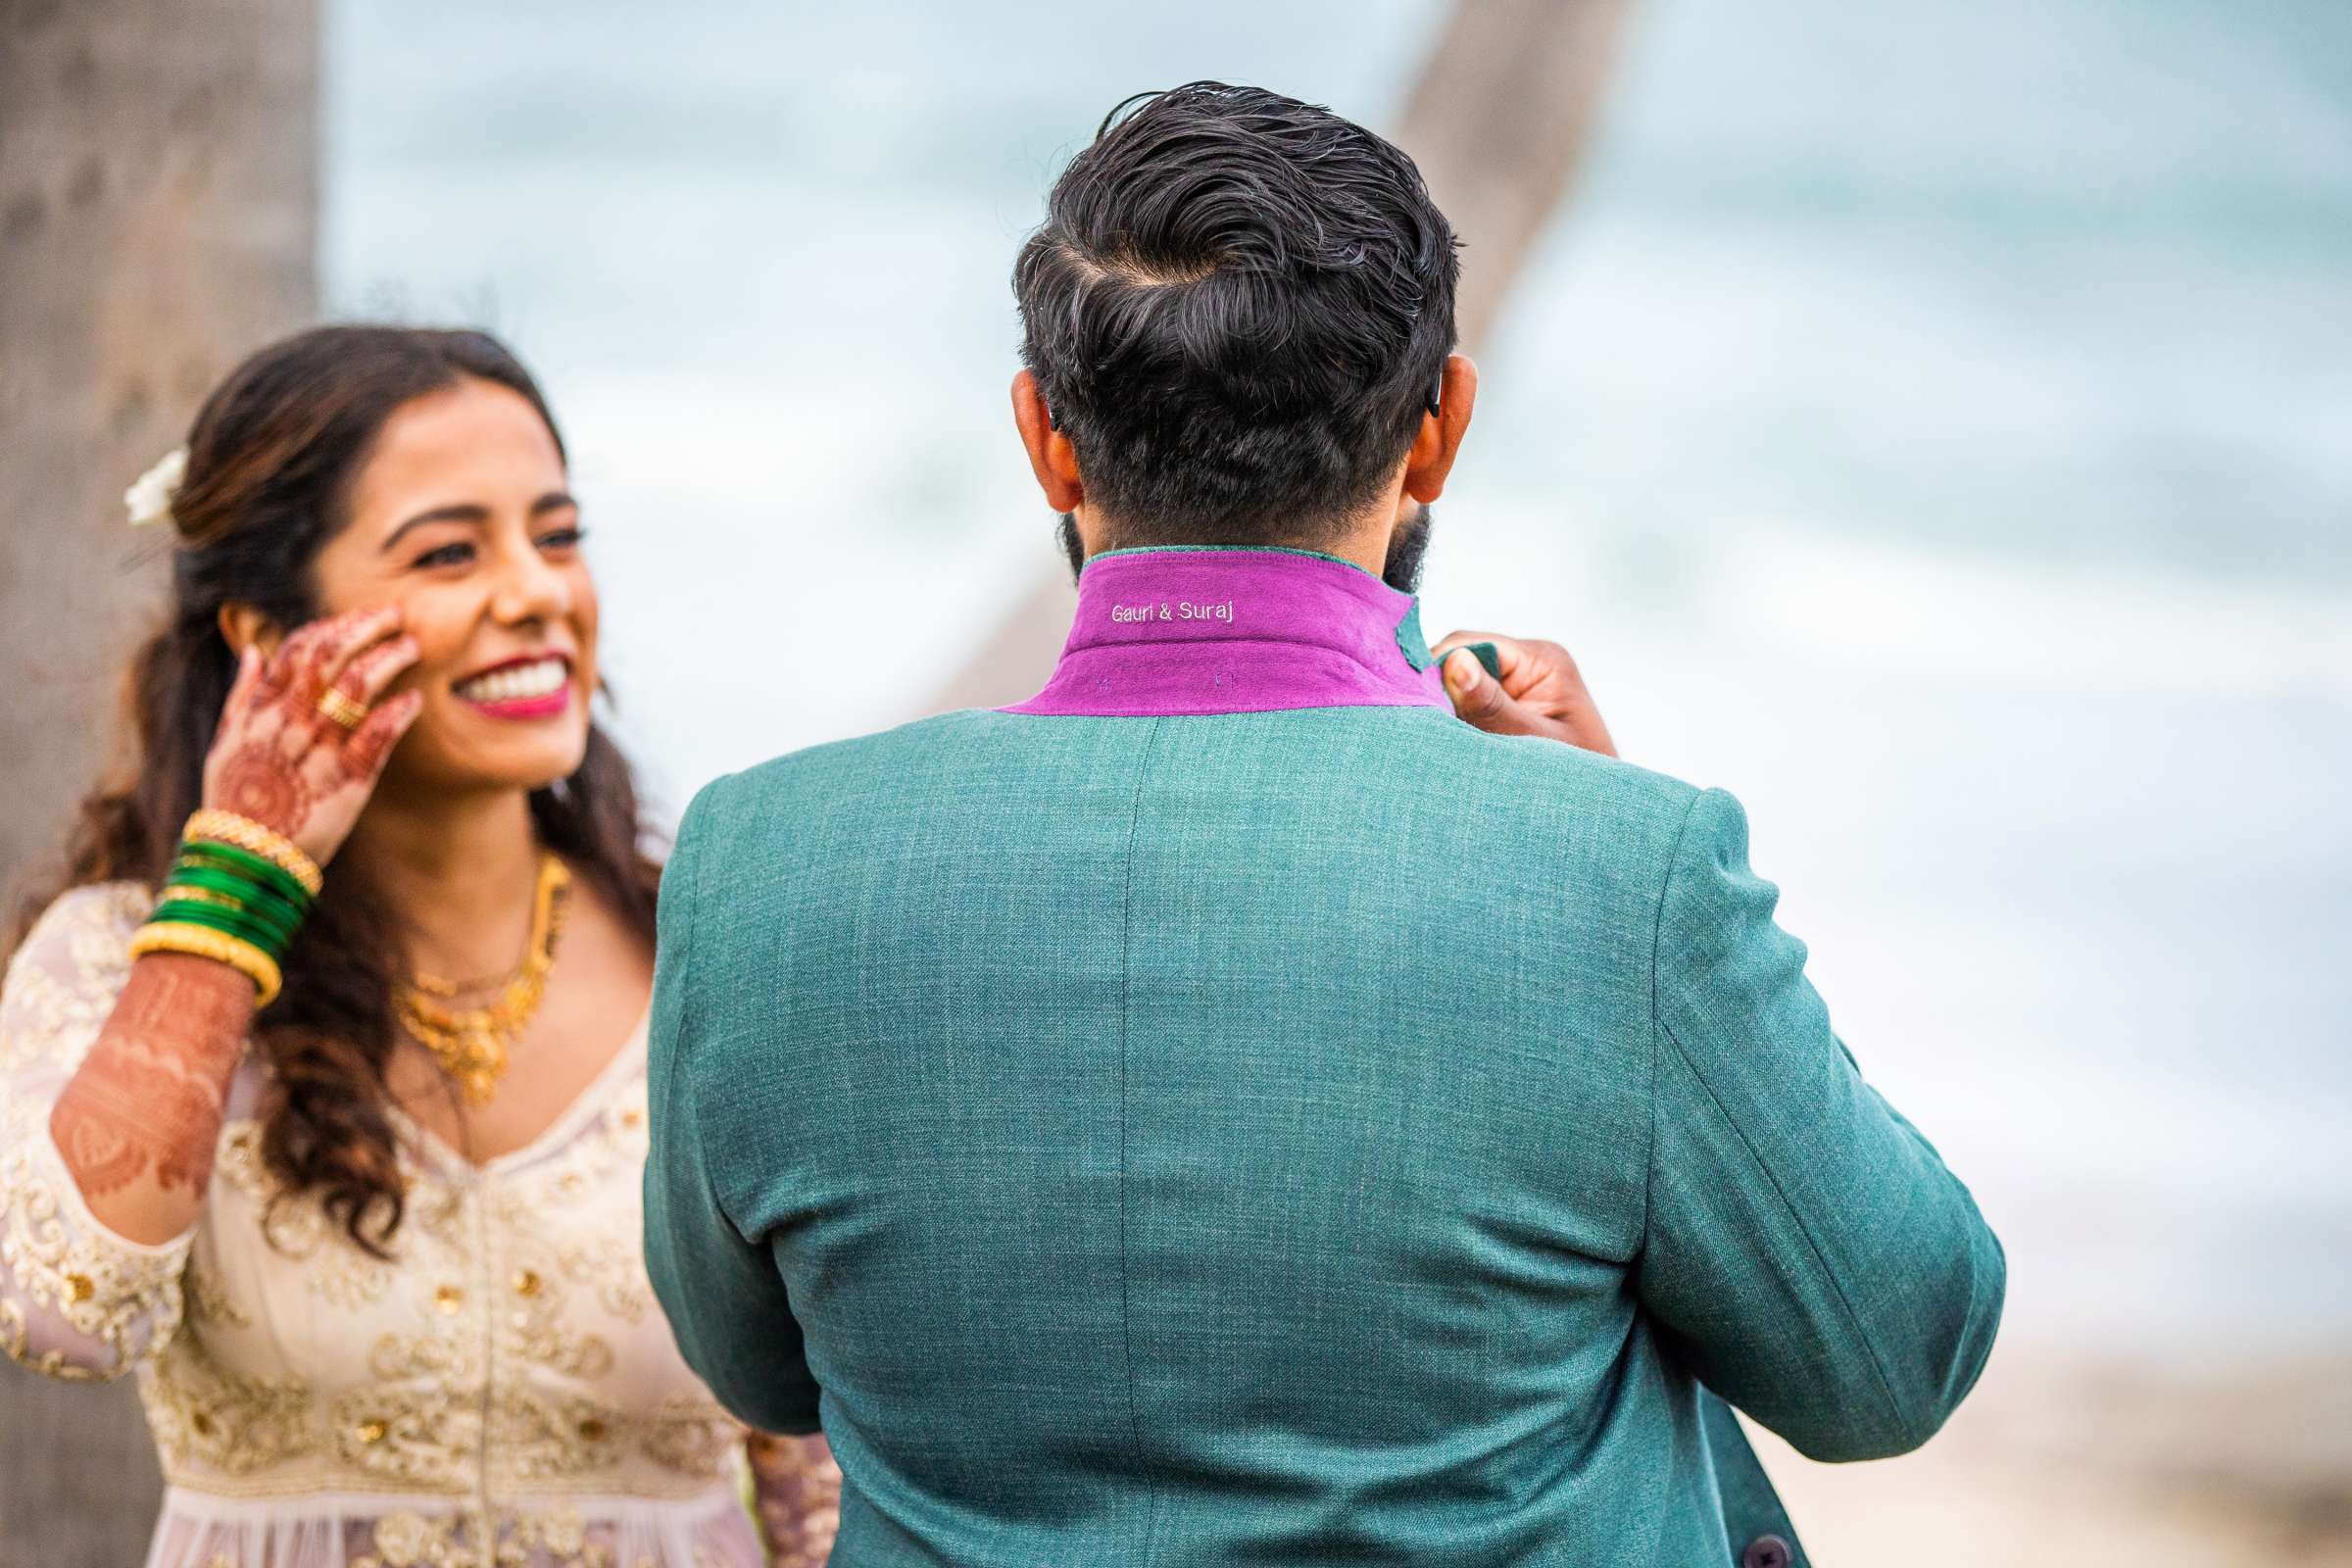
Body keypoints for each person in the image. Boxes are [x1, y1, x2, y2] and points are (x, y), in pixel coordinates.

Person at [644, 82, 2006, 1567]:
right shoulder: (1621, 874)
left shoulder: (757, 866)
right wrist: (1602, 834)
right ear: (1438, 435)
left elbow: (756, 1365)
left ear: (1045, 440)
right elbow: (1893, 1359)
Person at [0, 326, 839, 1567]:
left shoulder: (712, 957)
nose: (537, 593)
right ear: (262, 634)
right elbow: (65, 1314)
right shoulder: (121, 957)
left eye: (558, 536)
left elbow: (808, 1467)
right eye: (450, 552)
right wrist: (239, 874)